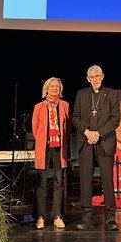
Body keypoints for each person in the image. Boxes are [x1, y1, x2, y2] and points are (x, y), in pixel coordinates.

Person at [72, 65, 121, 231]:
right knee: (85, 180)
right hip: (85, 141)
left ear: (102, 76)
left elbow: (115, 120)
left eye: (97, 76)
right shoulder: (81, 93)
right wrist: (87, 132)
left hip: (104, 140)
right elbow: (75, 118)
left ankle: (110, 218)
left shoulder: (112, 93)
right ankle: (86, 219)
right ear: (87, 78)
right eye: (91, 77)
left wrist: (98, 133)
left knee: (107, 179)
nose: (94, 79)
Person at [32, 77, 70, 230]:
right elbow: (35, 128)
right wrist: (43, 140)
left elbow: (67, 127)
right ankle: (41, 216)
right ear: (46, 88)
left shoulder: (65, 105)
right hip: (44, 147)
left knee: (58, 182)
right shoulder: (39, 107)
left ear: (60, 90)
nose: (54, 88)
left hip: (59, 147)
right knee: (41, 182)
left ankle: (57, 216)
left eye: (57, 86)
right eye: (52, 86)